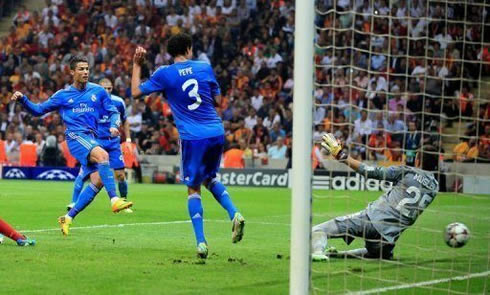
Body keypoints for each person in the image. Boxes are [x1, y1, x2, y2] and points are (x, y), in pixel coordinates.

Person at [131, 33, 245, 258]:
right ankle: (234, 212)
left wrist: (136, 65)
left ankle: (201, 243)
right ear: (190, 49)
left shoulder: (164, 73)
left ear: (170, 53)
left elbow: (135, 93)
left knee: (193, 188)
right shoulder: (204, 67)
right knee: (209, 178)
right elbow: (219, 101)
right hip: (216, 131)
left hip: (192, 137)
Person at [11, 55, 133, 236]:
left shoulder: (98, 91)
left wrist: (115, 125)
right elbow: (38, 111)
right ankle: (114, 199)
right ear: (72, 72)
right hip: (76, 137)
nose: (85, 72)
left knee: (97, 181)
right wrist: (23, 100)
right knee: (103, 156)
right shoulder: (62, 96)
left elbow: (113, 111)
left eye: (87, 69)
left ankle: (67, 217)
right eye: (81, 69)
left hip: (92, 138)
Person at [311, 133, 439, 261]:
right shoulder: (434, 188)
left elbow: (371, 172)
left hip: (371, 220)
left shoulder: (407, 172)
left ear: (418, 161)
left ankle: (318, 252)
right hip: (388, 239)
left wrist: (342, 156)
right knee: (376, 254)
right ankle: (339, 254)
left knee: (317, 230)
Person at [67, 78, 132, 213]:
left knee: (120, 175)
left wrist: (129, 139)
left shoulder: (118, 102)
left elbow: (125, 121)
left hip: (113, 141)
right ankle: (73, 202)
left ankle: (123, 201)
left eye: (109, 88)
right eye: (104, 88)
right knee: (86, 174)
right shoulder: (91, 100)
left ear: (112, 88)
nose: (106, 91)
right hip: (96, 141)